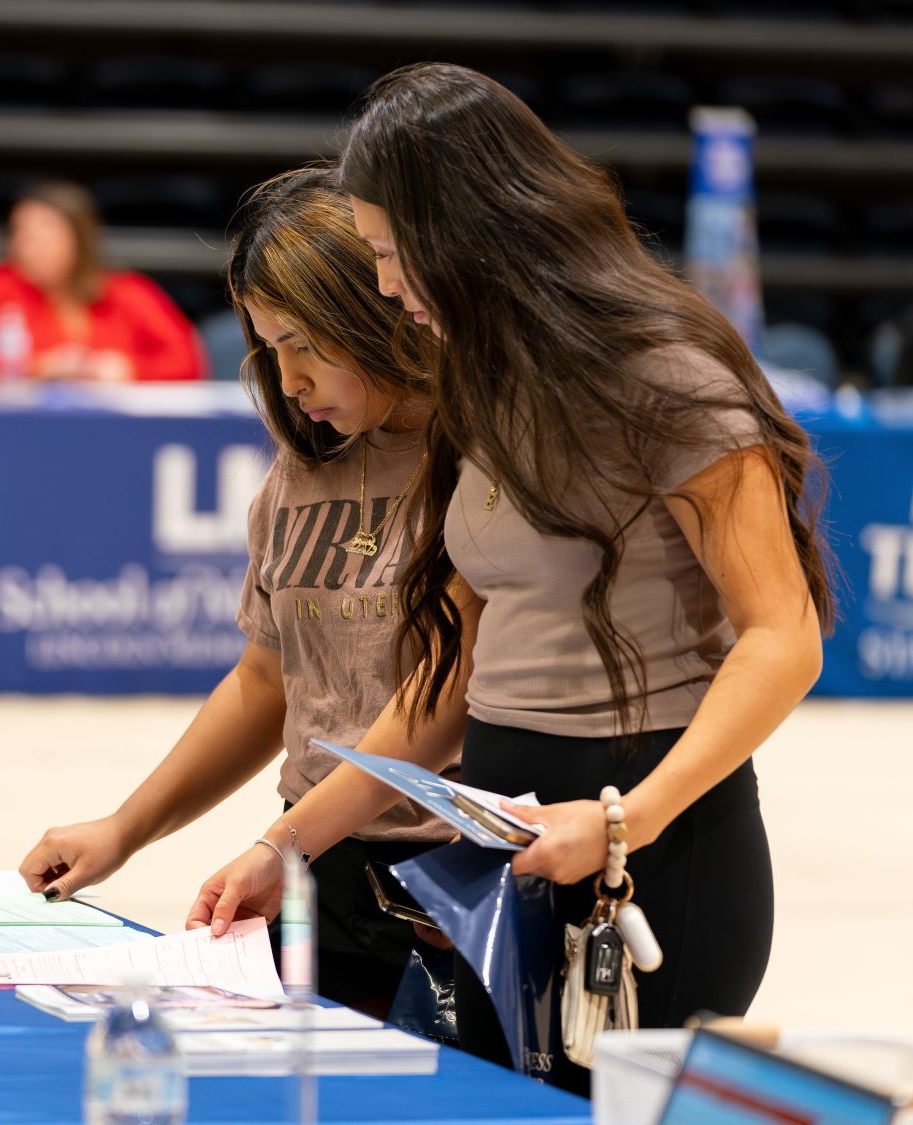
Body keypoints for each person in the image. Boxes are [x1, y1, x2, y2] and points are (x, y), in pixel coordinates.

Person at [187, 64, 834, 1095]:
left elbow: (783, 635)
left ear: (466, 234)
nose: (389, 289)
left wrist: (628, 819)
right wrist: (286, 845)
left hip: (653, 866)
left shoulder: (668, 374)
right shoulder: (486, 390)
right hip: (509, 872)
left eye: (394, 257)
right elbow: (447, 681)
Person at [22, 167, 455, 1021]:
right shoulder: (301, 468)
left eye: (302, 344)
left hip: (451, 886)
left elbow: (448, 695)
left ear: (368, 312)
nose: (286, 380)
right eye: (269, 348)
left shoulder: (481, 462)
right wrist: (125, 829)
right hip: (314, 863)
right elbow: (266, 681)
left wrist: (277, 844)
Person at [0, 181, 206, 382]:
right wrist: (36, 367)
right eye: (21, 233)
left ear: (78, 238)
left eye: (45, 234)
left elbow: (187, 360)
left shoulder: (127, 291)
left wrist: (129, 369)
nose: (31, 246)